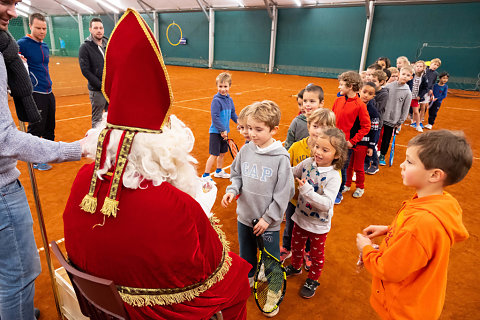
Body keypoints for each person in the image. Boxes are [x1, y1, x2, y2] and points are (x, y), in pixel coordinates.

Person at [63, 9, 251, 320]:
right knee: (237, 281)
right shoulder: (172, 206)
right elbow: (210, 264)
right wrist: (193, 206)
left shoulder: (86, 178)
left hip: (101, 305)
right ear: (159, 145)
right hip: (151, 312)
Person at [0, 2, 84, 319]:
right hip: (2, 190)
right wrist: (75, 149)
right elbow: (4, 137)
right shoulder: (9, 46)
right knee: (19, 275)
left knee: (9, 274)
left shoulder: (9, 47)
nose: (11, 10)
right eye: (6, 1)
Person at [356, 130, 472, 320]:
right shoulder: (441, 202)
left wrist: (366, 249)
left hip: (403, 310)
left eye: (409, 162)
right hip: (419, 303)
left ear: (435, 175)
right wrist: (389, 230)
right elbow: (417, 236)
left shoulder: (420, 224)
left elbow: (388, 269)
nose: (402, 165)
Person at [221, 100, 295, 317]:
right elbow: (236, 175)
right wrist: (232, 190)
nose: (252, 134)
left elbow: (285, 193)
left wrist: (268, 218)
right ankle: (249, 280)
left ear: (274, 130)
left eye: (258, 129)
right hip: (244, 217)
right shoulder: (246, 149)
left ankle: (270, 295)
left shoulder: (281, 158)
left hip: (268, 224)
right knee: (246, 256)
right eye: (249, 128)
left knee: (270, 262)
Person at [284, 127, 348, 298]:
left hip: (319, 226)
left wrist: (307, 191)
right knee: (296, 247)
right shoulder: (307, 163)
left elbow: (327, 203)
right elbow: (292, 172)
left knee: (316, 255)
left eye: (325, 150)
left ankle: (313, 279)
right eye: (317, 147)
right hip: (300, 218)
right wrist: (280, 166)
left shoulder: (334, 176)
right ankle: (296, 267)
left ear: (337, 155)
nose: (318, 152)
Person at [280, 108, 336, 268]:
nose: (319, 131)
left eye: (325, 128)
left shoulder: (329, 154)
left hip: (315, 205)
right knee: (291, 226)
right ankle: (287, 247)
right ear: (309, 126)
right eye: (316, 126)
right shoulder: (297, 147)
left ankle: (308, 251)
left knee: (312, 231)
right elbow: (286, 165)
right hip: (294, 199)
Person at [17, 13, 57, 171]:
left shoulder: (44, 46)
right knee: (36, 128)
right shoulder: (22, 44)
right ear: (30, 26)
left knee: (49, 126)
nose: (42, 31)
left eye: (44, 28)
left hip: (49, 92)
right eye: (38, 28)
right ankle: (34, 160)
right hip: (35, 93)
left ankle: (50, 154)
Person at [332, 71, 371, 205]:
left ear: (351, 86)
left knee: (342, 168)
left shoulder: (360, 105)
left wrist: (352, 141)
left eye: (342, 84)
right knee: (331, 166)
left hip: (345, 145)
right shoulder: (338, 100)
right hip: (333, 141)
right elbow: (332, 119)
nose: (339, 87)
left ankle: (340, 190)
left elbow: (366, 126)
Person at [344, 82, 379, 198]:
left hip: (363, 144)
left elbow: (374, 130)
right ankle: (347, 184)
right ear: (359, 91)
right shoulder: (352, 104)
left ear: (373, 96)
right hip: (350, 142)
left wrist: (371, 146)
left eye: (370, 94)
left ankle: (360, 187)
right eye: (364, 92)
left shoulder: (373, 112)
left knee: (359, 167)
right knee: (348, 165)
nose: (366, 95)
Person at [203, 72, 237, 179]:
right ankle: (206, 175)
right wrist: (222, 130)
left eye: (225, 86)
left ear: (229, 86)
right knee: (214, 154)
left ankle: (219, 171)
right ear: (217, 86)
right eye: (220, 86)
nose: (223, 89)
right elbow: (215, 117)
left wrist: (240, 123)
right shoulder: (216, 101)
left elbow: (232, 113)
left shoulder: (229, 100)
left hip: (225, 132)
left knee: (222, 153)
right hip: (216, 132)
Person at [378, 66, 413, 166]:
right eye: (403, 74)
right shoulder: (388, 86)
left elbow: (405, 109)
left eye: (408, 75)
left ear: (411, 78)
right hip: (381, 117)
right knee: (376, 136)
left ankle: (382, 155)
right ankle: (373, 152)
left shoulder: (408, 92)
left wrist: (400, 121)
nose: (405, 77)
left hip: (393, 120)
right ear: (399, 75)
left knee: (386, 138)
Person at [79, 17, 109, 128]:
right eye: (95, 28)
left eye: (101, 28)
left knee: (110, 118)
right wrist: (101, 85)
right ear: (90, 29)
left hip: (110, 90)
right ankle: (95, 144)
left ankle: (108, 142)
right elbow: (85, 70)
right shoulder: (85, 47)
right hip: (97, 91)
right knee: (97, 120)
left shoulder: (109, 44)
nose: (99, 30)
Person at [284, 84, 324, 150]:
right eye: (305, 101)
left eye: (312, 101)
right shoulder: (296, 122)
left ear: (321, 103)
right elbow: (288, 144)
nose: (307, 104)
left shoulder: (325, 121)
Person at [365, 70, 388, 175]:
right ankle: (366, 163)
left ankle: (375, 164)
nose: (371, 83)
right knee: (365, 144)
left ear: (382, 82)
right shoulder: (369, 92)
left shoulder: (384, 94)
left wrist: (371, 99)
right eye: (370, 80)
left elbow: (378, 108)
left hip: (376, 124)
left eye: (374, 81)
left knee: (372, 145)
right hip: (366, 123)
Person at [407, 60, 428, 132]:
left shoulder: (424, 77)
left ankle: (418, 125)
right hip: (407, 97)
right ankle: (398, 126)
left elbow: (425, 88)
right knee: (403, 111)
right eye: (417, 66)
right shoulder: (411, 75)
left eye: (420, 66)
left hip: (415, 98)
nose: (418, 68)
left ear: (423, 68)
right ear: (414, 67)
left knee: (416, 111)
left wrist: (420, 96)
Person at [420, 58, 441, 126]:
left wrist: (431, 89)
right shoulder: (424, 71)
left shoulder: (436, 74)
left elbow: (433, 83)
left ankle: (421, 119)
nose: (435, 66)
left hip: (427, 91)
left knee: (424, 106)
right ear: (431, 63)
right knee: (416, 106)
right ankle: (413, 118)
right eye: (434, 64)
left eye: (437, 65)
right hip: (420, 90)